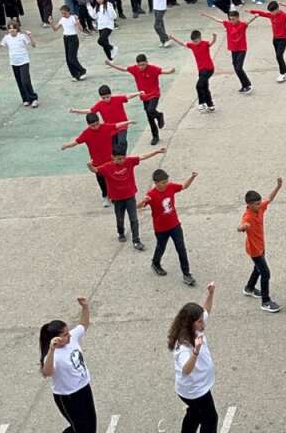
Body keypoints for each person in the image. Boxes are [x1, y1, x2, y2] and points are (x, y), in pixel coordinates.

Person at [89, 148, 164, 250]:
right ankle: (121, 233)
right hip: (117, 199)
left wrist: (157, 151)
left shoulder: (129, 161)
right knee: (120, 218)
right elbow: (96, 170)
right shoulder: (107, 167)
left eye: (123, 158)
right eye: (119, 159)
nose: (121, 161)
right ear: (112, 157)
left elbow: (143, 157)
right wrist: (89, 165)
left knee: (134, 218)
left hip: (130, 196)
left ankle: (136, 240)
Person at [38, 297, 94, 433]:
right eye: (64, 334)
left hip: (84, 388)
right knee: (81, 429)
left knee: (91, 426)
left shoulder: (72, 338)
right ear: (56, 338)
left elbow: (84, 325)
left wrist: (85, 307)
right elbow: (47, 373)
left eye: (68, 332)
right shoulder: (52, 355)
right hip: (68, 396)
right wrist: (51, 350)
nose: (69, 335)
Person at [168, 283, 219, 431]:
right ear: (190, 323)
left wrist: (210, 294)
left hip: (194, 388)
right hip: (195, 390)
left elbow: (206, 310)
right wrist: (195, 351)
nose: (203, 323)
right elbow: (186, 370)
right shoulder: (184, 345)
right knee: (210, 419)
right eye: (199, 321)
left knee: (195, 414)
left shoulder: (196, 328)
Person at [140, 168, 200, 286]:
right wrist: (143, 201)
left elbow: (184, 186)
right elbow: (138, 207)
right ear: (156, 183)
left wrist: (192, 177)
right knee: (161, 247)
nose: (165, 184)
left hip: (174, 225)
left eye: (166, 181)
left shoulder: (171, 187)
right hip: (161, 228)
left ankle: (186, 274)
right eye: (163, 183)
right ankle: (155, 263)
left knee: (181, 248)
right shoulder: (151, 195)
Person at [106, 54, 174, 146]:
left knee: (151, 110)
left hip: (154, 94)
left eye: (143, 64)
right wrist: (111, 65)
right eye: (139, 65)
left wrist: (170, 71)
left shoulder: (153, 69)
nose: (141, 67)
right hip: (144, 97)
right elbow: (123, 69)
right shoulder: (134, 69)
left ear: (147, 62)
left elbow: (163, 71)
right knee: (150, 118)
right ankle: (155, 136)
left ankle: (159, 115)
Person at [238, 179, 283, 313]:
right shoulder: (247, 216)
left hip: (261, 245)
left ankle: (249, 288)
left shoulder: (260, 207)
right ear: (249, 204)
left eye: (259, 203)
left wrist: (278, 187)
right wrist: (242, 227)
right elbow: (241, 225)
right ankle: (266, 301)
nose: (260, 205)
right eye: (257, 204)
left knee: (258, 269)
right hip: (254, 250)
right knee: (265, 273)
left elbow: (269, 198)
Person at [170, 30, 218, 112]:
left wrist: (214, 37)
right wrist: (173, 38)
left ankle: (201, 103)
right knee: (205, 87)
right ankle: (210, 105)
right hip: (201, 70)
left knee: (199, 86)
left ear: (200, 38)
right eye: (193, 41)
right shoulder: (192, 45)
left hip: (209, 69)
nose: (195, 43)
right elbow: (182, 43)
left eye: (196, 41)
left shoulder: (205, 44)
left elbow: (212, 43)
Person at [0, 22, 38, 107]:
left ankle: (33, 98)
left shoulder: (21, 36)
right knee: (19, 81)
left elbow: (33, 45)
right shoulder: (7, 38)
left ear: (17, 29)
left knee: (25, 81)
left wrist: (30, 36)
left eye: (13, 28)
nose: (12, 30)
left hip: (24, 61)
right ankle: (25, 98)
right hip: (14, 62)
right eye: (10, 28)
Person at [249, 2, 286, 83]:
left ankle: (283, 73)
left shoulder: (283, 15)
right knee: (279, 57)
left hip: (283, 39)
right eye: (270, 11)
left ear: (277, 9)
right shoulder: (271, 15)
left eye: (272, 11)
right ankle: (285, 72)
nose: (271, 13)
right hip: (275, 39)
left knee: (279, 55)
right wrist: (251, 11)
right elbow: (262, 13)